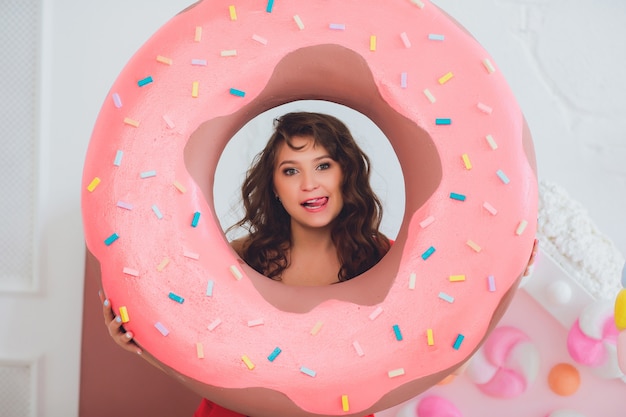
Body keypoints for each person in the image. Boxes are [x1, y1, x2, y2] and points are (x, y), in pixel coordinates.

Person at [100, 111, 392, 416]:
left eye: (323, 166)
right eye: (291, 171)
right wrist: (139, 343)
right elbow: (200, 356)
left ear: (346, 173)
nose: (309, 184)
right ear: (275, 187)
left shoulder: (384, 259)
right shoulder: (239, 258)